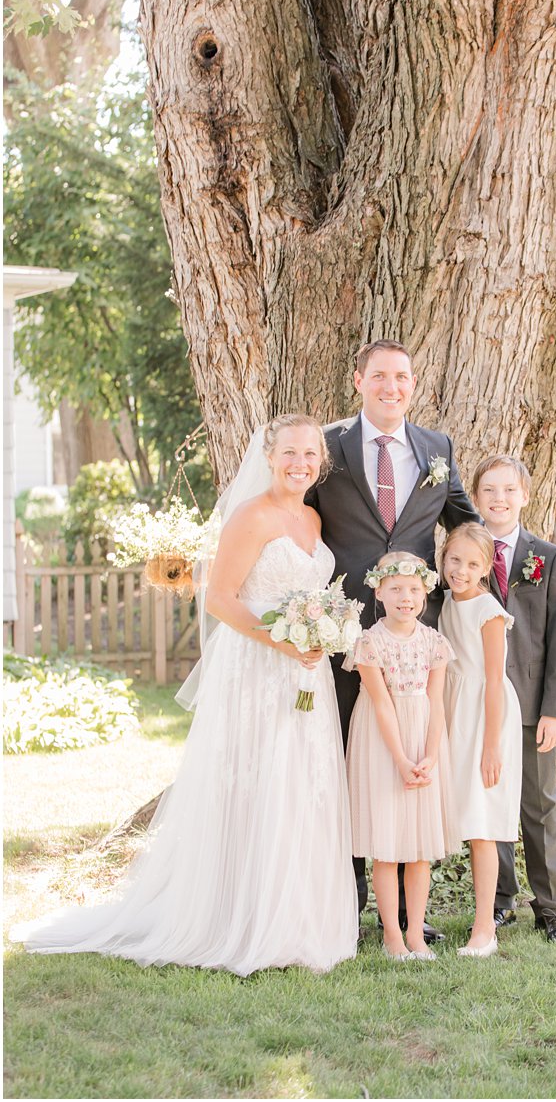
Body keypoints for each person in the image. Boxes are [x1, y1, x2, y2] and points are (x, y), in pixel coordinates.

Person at [13, 415, 358, 975]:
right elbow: (220, 598)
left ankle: (298, 920)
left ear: (322, 461)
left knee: (300, 784)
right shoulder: (251, 516)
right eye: (290, 452)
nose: (301, 463)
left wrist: (315, 636)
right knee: (257, 782)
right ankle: (241, 919)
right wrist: (282, 639)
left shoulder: (314, 518)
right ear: (270, 457)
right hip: (258, 668)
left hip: (305, 671)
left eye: (310, 455)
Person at [308, 338, 556, 936]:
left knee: (411, 765)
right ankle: (347, 907)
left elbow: (468, 522)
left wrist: (530, 562)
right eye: (379, 376)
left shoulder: (436, 448)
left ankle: (408, 913)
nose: (391, 387)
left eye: (401, 377)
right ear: (359, 381)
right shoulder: (327, 448)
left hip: (416, 631)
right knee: (353, 760)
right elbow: (300, 517)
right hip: (345, 627)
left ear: (412, 383)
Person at [474, 455, 556, 945]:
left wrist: (554, 709)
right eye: (489, 490)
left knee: (539, 806)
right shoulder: (462, 551)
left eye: (508, 490)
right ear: (476, 498)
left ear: (525, 495)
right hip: (481, 700)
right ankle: (498, 902)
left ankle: (551, 908)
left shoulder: (549, 557)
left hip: (533, 702)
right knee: (491, 802)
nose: (499, 499)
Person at [344, 551, 456, 960]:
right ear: (379, 591)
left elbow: (437, 702)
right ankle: (391, 933)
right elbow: (381, 705)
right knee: (388, 844)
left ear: (425, 592)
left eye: (413, 589)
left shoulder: (435, 643)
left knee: (419, 846)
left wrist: (429, 756)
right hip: (383, 740)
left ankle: (416, 934)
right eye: (395, 589)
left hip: (423, 737)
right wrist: (400, 760)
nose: (405, 597)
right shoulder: (369, 643)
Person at [438, 523, 523, 957]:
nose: (461, 570)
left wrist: (492, 745)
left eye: (472, 564)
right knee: (463, 814)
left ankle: (484, 929)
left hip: (486, 715)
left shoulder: (487, 610)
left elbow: (494, 681)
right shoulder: (447, 601)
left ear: (487, 566)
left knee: (482, 822)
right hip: (455, 711)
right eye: (455, 560)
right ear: (444, 556)